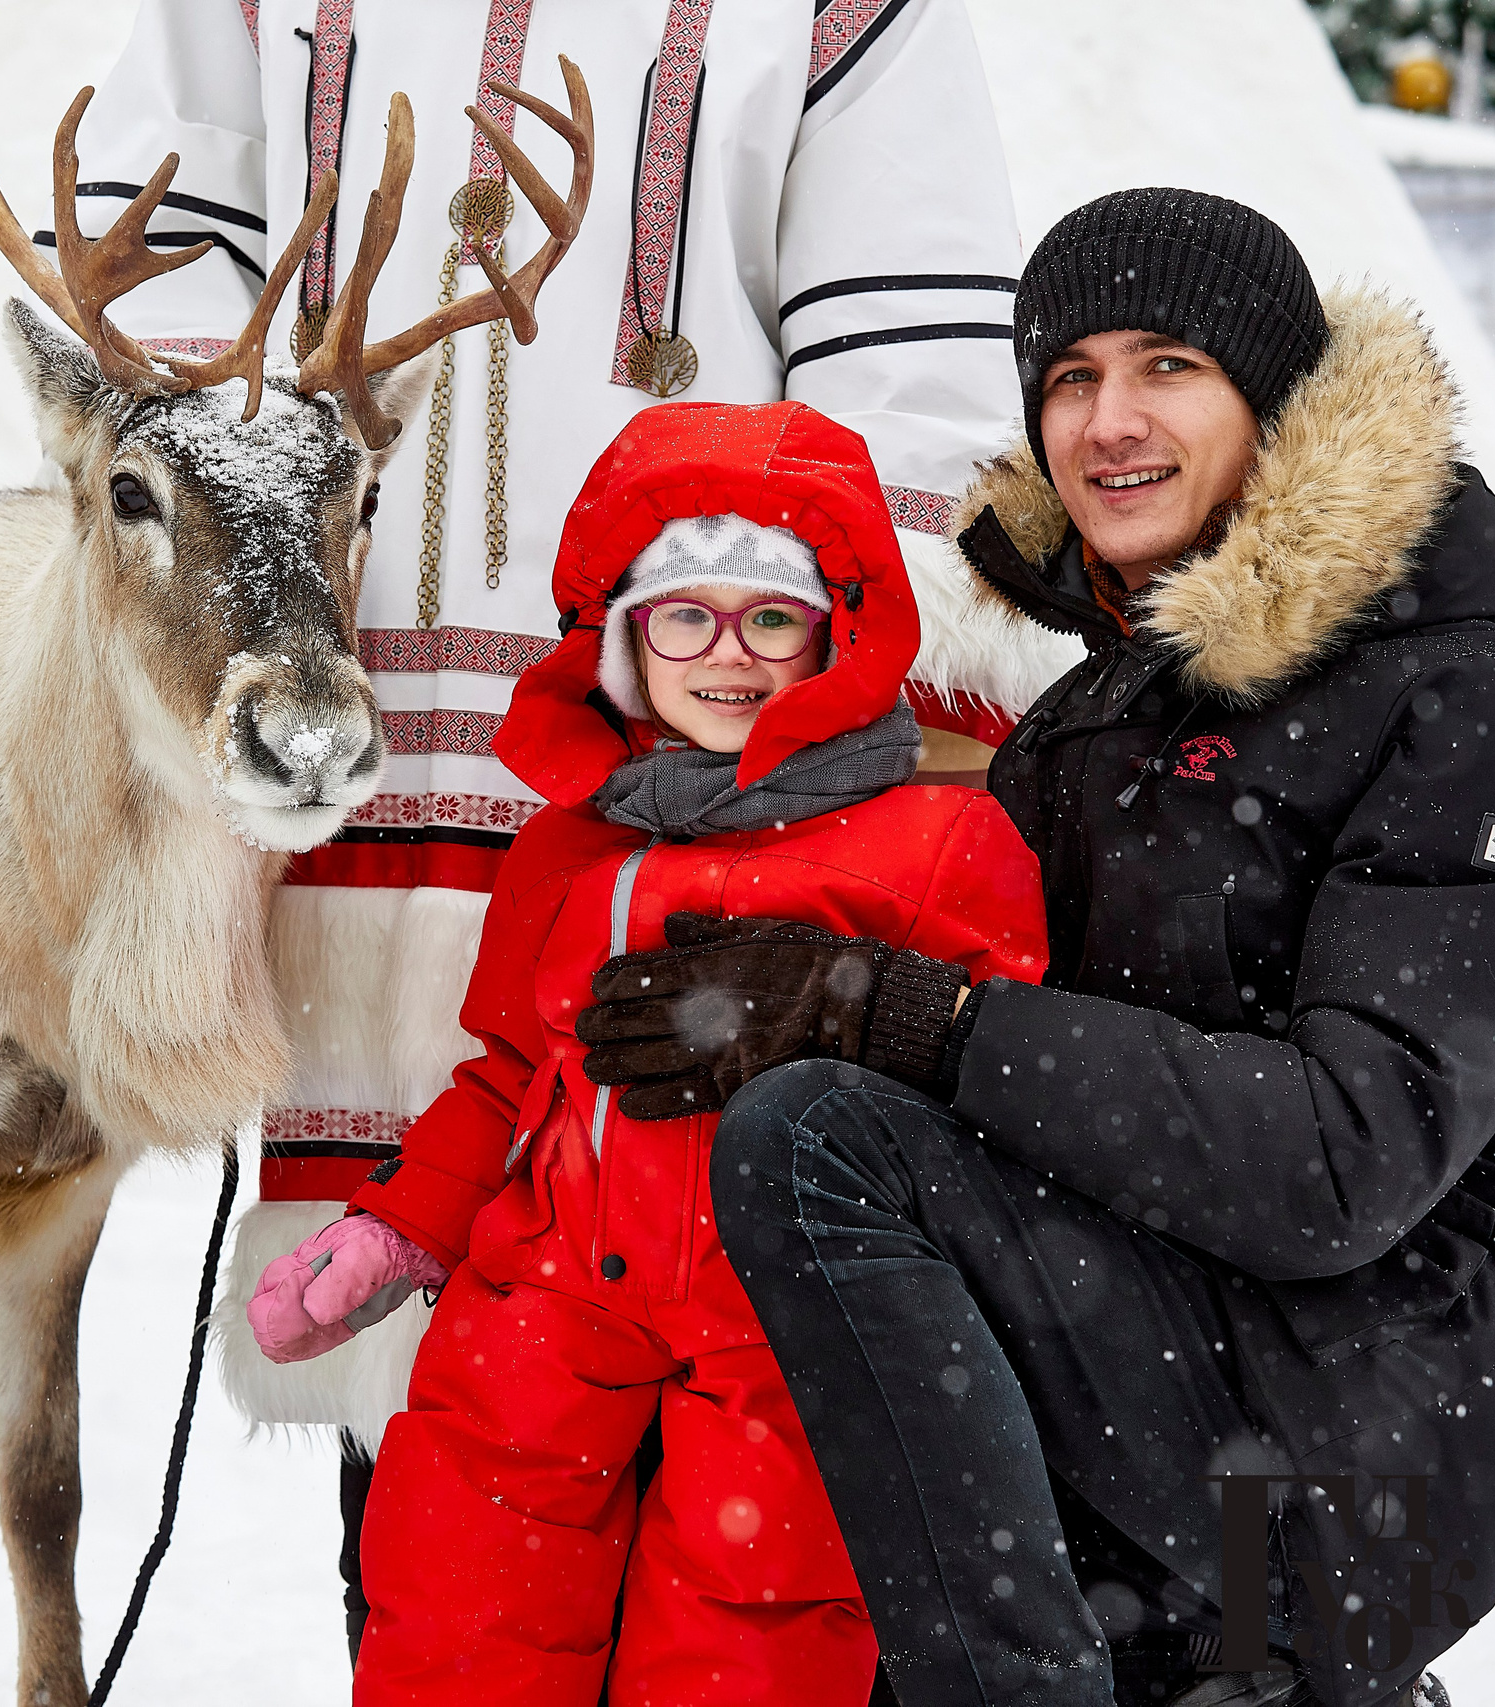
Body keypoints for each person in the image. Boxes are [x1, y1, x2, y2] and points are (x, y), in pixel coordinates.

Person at [63, 0, 1073, 1641]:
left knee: (737, 1442)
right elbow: (154, 258)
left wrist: (806, 716)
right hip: (352, 713)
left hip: (704, 748)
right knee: (443, 1466)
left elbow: (915, 374)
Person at [580, 189, 1495, 1706]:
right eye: (1069, 376)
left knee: (827, 1140)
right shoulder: (1084, 731)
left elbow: (1346, 1159)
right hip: (1184, 1366)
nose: (1108, 418)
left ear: (1274, 401)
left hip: (1405, 1405)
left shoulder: (1478, 711)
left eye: (1167, 365)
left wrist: (888, 1013)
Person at [248, 399, 1050, 1705]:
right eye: (686, 613)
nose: (726, 655)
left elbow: (1000, 1080)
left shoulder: (935, 843)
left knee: (753, 1630)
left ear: (835, 631)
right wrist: (394, 1228)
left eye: (770, 616)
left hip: (788, 1328)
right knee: (460, 1595)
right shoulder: (576, 842)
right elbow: (508, 1069)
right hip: (553, 1298)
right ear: (624, 634)